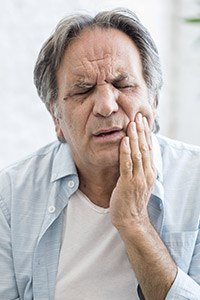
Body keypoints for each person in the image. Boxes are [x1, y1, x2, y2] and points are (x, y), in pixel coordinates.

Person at [0, 7, 200, 300]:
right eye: (83, 91)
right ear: (56, 119)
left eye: (123, 84)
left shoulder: (196, 183)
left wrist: (134, 223)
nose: (106, 106)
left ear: (153, 100)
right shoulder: (11, 196)